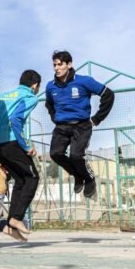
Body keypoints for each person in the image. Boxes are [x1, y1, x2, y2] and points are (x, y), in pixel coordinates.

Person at [45, 51, 114, 199]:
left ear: (69, 64)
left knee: (76, 156)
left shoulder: (84, 81)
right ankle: (77, 175)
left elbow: (108, 95)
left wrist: (96, 119)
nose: (56, 68)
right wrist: (55, 118)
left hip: (81, 126)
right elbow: (49, 104)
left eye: (60, 64)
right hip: (61, 127)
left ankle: (89, 179)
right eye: (54, 65)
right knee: (55, 154)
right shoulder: (50, 86)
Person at [0, 70, 42, 242]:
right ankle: (17, 218)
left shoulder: (5, 96)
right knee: (33, 177)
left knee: (21, 180)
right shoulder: (30, 97)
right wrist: (26, 145)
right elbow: (16, 119)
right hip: (11, 143)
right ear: (35, 85)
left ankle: (10, 226)